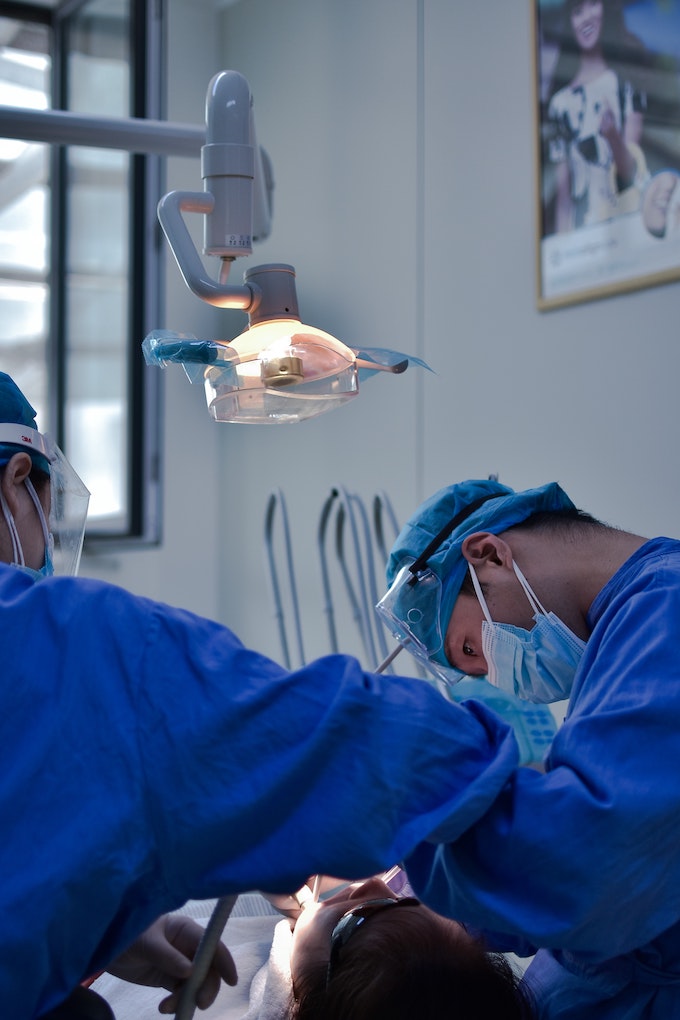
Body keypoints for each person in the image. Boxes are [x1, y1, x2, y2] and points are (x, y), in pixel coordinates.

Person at [0, 374, 530, 1019]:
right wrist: (503, 771)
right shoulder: (68, 642)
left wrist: (95, 938)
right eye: (44, 511)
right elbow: (343, 744)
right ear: (15, 479)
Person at [377, 476, 680, 1018]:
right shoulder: (627, 629)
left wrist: (404, 837)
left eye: (472, 647)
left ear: (489, 555)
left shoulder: (665, 614)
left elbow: (585, 865)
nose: (493, 674)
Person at [544, 0, 649, 233]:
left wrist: (611, 135)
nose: (586, 17)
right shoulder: (560, 105)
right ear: (570, 22)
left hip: (628, 232)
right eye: (577, 11)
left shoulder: (626, 81)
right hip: (582, 244)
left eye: (592, 4)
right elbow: (563, 201)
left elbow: (631, 173)